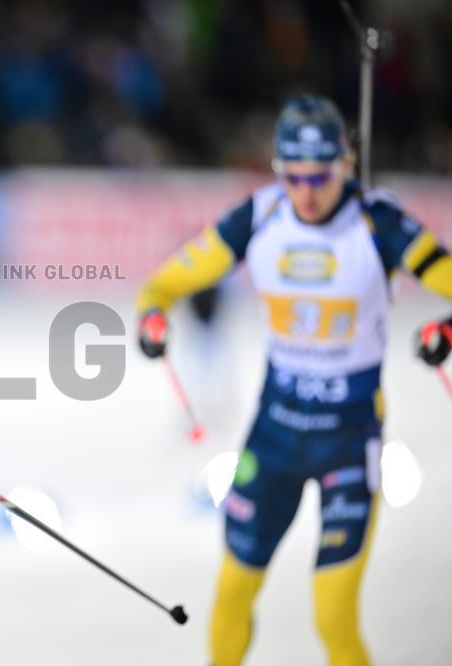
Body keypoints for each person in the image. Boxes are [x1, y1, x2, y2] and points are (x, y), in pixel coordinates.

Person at [135, 95, 452, 666]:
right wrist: (153, 313)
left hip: (350, 442)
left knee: (333, 614)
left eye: (320, 177)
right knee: (233, 592)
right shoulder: (259, 216)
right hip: (273, 437)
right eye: (293, 176)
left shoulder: (378, 219)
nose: (306, 193)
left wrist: (446, 330)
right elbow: (164, 281)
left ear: (345, 166)